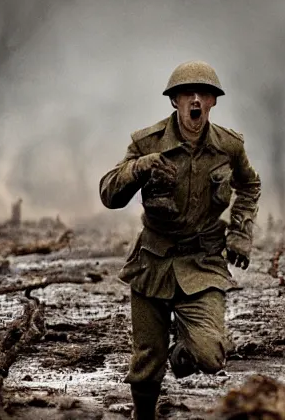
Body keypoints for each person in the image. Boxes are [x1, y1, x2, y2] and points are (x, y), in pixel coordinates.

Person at [99, 60, 261, 419]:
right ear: (174, 101)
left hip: (202, 263)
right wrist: (139, 168)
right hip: (152, 262)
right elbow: (108, 194)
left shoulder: (228, 147)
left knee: (210, 354)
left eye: (203, 94)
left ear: (213, 102)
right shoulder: (146, 142)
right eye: (187, 94)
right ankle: (143, 415)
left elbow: (249, 185)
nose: (195, 101)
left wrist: (239, 233)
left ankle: (182, 353)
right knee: (147, 358)